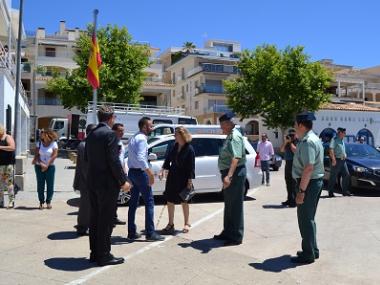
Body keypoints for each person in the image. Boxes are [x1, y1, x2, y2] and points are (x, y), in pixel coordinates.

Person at [85, 105, 131, 266]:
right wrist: (123, 180)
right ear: (111, 118)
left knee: (95, 218)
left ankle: (95, 253)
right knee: (106, 220)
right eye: (114, 118)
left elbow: (86, 159)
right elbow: (114, 161)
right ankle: (104, 255)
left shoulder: (91, 134)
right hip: (106, 184)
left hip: (92, 182)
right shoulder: (110, 134)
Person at [291, 111, 324, 264]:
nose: (294, 127)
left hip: (308, 183)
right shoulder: (311, 138)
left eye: (295, 125)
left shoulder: (308, 142)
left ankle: (308, 253)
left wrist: (301, 191)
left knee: (305, 219)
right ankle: (312, 249)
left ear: (302, 126)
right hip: (313, 182)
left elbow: (308, 168)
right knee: (309, 219)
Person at [127, 117, 164, 241]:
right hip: (140, 173)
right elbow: (142, 158)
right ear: (144, 127)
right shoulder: (142, 139)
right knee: (149, 202)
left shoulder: (134, 137)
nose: (152, 128)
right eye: (150, 126)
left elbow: (135, 156)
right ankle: (150, 233)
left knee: (133, 203)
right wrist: (150, 174)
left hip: (132, 172)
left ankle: (131, 231)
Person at [213, 112, 246, 246]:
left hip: (235, 174)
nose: (221, 128)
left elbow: (236, 158)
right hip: (230, 173)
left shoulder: (235, 137)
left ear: (228, 123)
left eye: (222, 125)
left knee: (235, 205)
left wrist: (229, 175)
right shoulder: (230, 136)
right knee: (229, 204)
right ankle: (227, 231)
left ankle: (236, 236)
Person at [159, 126, 195, 234]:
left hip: (183, 178)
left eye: (176, 134)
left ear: (182, 135)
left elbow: (191, 166)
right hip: (172, 177)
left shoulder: (189, 149)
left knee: (184, 201)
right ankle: (171, 224)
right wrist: (162, 170)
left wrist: (190, 181)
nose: (174, 136)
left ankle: (187, 223)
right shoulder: (174, 146)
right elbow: (167, 160)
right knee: (170, 200)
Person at [73, 124, 96, 236]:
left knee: (87, 206)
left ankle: (85, 226)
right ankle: (82, 227)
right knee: (85, 206)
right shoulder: (85, 145)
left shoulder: (87, 144)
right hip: (87, 181)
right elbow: (85, 167)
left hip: (87, 181)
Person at [32, 129, 58, 209]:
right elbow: (36, 156)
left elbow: (54, 155)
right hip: (39, 166)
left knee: (50, 185)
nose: (42, 137)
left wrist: (47, 165)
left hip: (50, 167)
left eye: (43, 135)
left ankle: (48, 201)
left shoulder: (54, 144)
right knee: (40, 185)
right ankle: (41, 202)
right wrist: (42, 164)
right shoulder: (39, 143)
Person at [327, 127, 351, 197]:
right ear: (340, 132)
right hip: (336, 160)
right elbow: (331, 150)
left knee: (346, 175)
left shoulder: (342, 140)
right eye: (344, 132)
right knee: (333, 176)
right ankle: (330, 192)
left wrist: (345, 154)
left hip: (343, 160)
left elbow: (342, 149)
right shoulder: (334, 139)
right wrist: (333, 160)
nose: (345, 134)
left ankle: (345, 191)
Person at [111, 123, 127, 226]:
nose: (122, 132)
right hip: (113, 174)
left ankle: (114, 217)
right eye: (120, 130)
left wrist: (124, 170)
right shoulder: (112, 143)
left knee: (116, 198)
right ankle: (110, 218)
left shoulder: (121, 143)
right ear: (114, 131)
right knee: (111, 198)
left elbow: (122, 159)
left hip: (120, 173)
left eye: (123, 130)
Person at [280, 129, 298, 207]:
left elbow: (295, 151)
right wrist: (285, 142)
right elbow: (281, 150)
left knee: (294, 183)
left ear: (295, 135)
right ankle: (289, 199)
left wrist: (290, 142)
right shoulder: (287, 142)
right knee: (288, 182)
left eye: (292, 135)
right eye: (290, 135)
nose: (291, 136)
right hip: (287, 163)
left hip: (294, 163)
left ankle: (294, 201)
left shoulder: (297, 142)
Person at [0, 124, 16, 209]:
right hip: (0, 165)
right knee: (0, 184)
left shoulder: (7, 137)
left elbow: (12, 147)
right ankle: (1, 202)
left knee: (9, 183)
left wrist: (1, 147)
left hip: (8, 165)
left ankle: (11, 201)